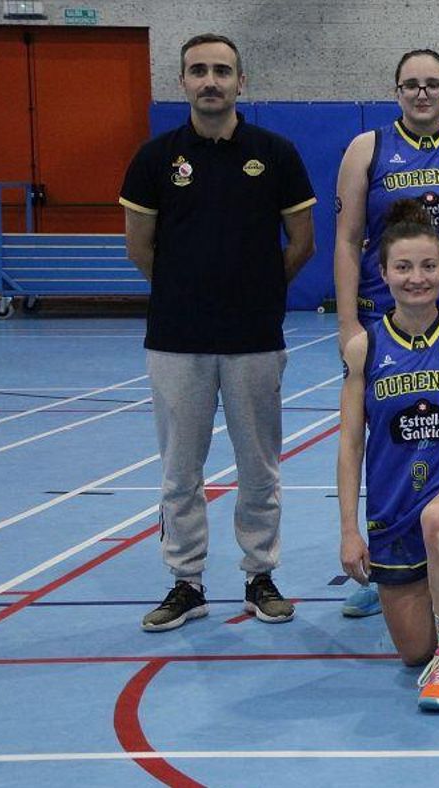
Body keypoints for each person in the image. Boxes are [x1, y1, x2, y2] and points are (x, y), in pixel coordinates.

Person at [120, 33, 315, 632]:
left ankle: (261, 577)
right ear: (182, 81)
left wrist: (251, 294)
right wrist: (190, 294)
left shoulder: (275, 153)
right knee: (181, 470)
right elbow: (140, 249)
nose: (211, 81)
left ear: (241, 82)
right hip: (176, 340)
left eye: (222, 71)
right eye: (199, 71)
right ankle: (186, 582)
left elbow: (301, 244)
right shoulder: (155, 159)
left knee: (260, 468)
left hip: (255, 339)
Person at [333, 48, 439, 622]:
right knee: (391, 434)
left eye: (433, 84)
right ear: (396, 91)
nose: (422, 93)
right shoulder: (367, 149)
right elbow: (349, 237)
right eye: (410, 85)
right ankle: (393, 553)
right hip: (388, 317)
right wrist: (350, 321)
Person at [337, 200, 439, 712]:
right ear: (382, 273)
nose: (417, 277)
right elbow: (350, 442)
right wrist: (348, 529)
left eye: (428, 265)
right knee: (411, 651)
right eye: (403, 266)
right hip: (391, 505)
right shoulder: (365, 347)